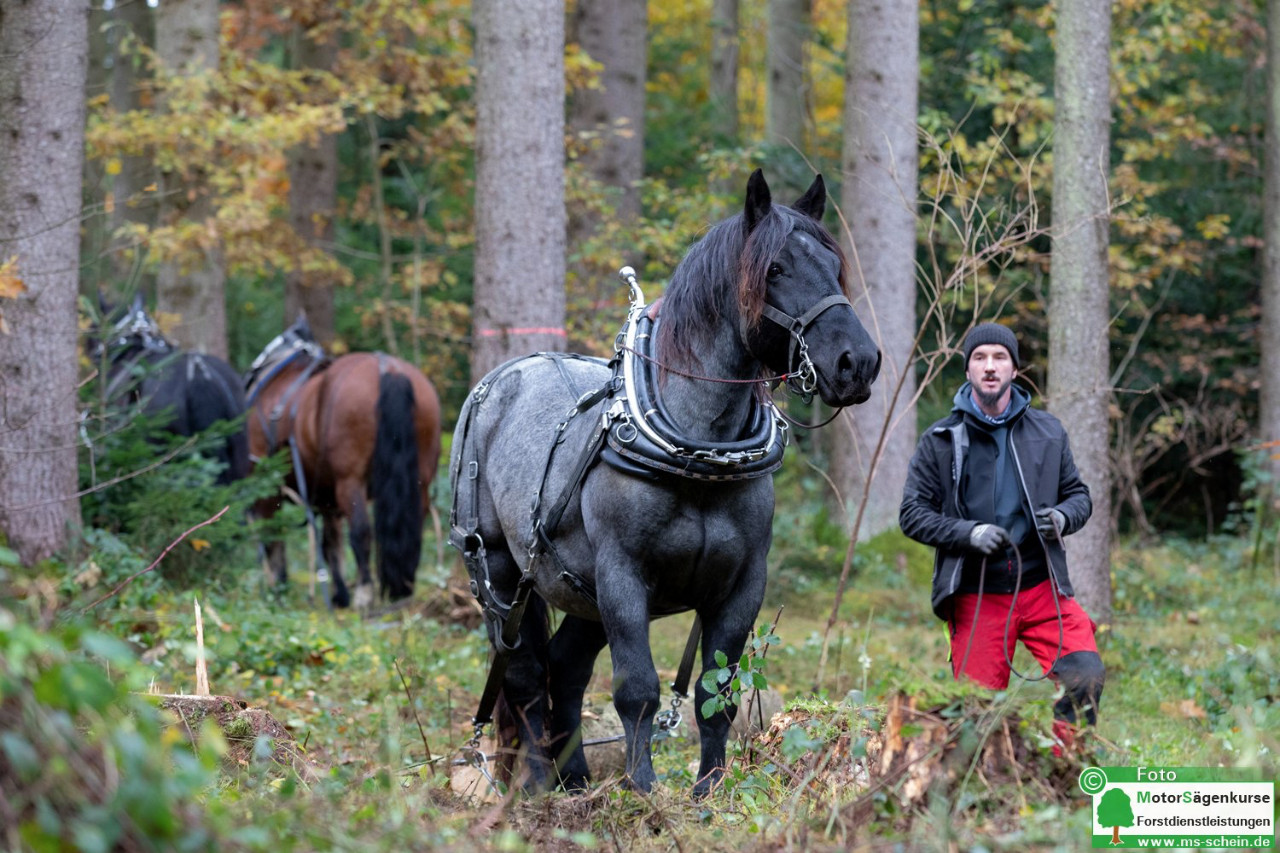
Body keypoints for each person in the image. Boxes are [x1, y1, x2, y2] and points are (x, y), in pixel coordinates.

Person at [899, 322, 1105, 755]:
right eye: (980, 358)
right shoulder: (940, 440)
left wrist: (1064, 518)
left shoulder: (1049, 432)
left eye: (999, 358)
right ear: (968, 369)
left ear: (1014, 369)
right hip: (977, 595)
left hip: (1041, 588)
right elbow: (912, 515)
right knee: (976, 718)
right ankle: (981, 794)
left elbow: (1079, 496)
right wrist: (967, 533)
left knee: (1084, 672)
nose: (990, 367)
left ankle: (1065, 766)